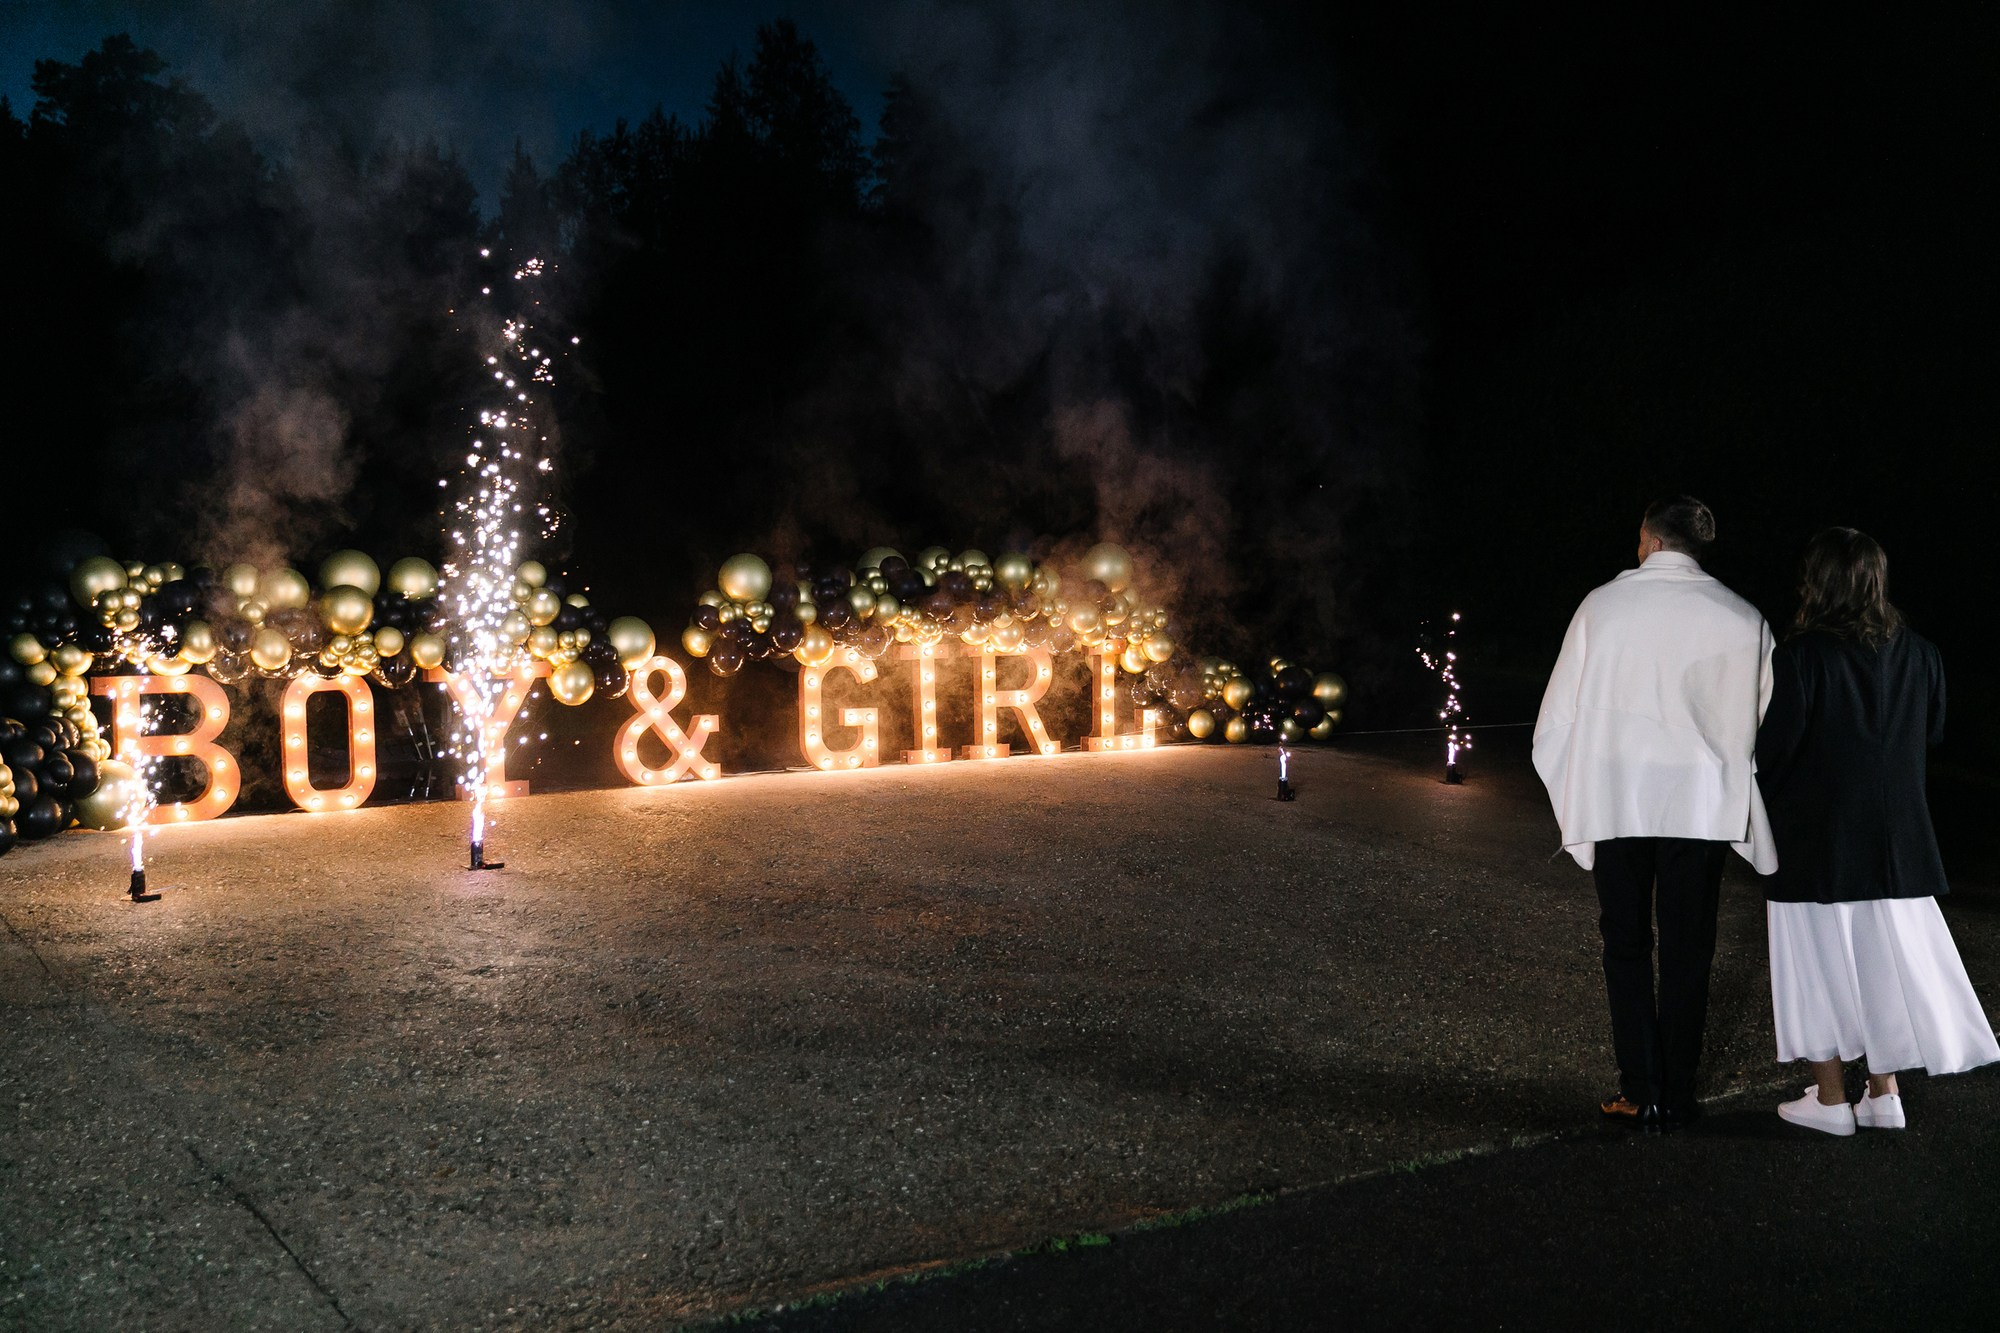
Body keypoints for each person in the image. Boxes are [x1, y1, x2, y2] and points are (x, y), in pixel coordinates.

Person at [1534, 496, 1776, 1132]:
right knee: (1691, 948)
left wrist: (1575, 785)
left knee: (1627, 944)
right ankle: (1680, 1092)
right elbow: (1764, 716)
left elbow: (1557, 716)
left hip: (1619, 798)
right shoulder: (1742, 616)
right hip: (1699, 804)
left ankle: (1640, 1088)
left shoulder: (1602, 606)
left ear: (1649, 539)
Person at [1755, 528, 1997, 1135]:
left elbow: (1775, 750)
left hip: (1818, 839)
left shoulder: (1801, 654)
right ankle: (1883, 1094)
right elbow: (1932, 732)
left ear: (1817, 582)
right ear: (1876, 580)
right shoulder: (1922, 652)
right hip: (1901, 842)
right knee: (1881, 961)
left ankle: (1832, 1100)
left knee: (1814, 961)